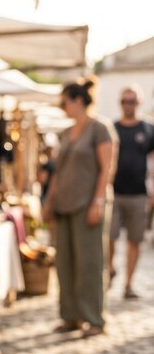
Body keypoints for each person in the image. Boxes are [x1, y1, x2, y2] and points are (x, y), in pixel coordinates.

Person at [43, 80, 115, 337]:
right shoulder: (65, 133)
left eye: (65, 102)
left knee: (90, 263)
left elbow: (106, 168)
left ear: (78, 100)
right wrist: (48, 201)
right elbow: (57, 173)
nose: (63, 107)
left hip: (87, 205)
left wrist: (98, 201)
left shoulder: (100, 129)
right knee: (64, 263)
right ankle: (70, 316)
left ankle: (94, 318)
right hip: (63, 205)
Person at [109, 86, 154, 299]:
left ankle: (128, 284)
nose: (129, 105)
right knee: (109, 236)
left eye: (132, 101)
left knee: (134, 240)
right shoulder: (113, 128)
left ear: (139, 102)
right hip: (114, 192)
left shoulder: (148, 129)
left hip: (138, 193)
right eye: (125, 101)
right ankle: (110, 268)